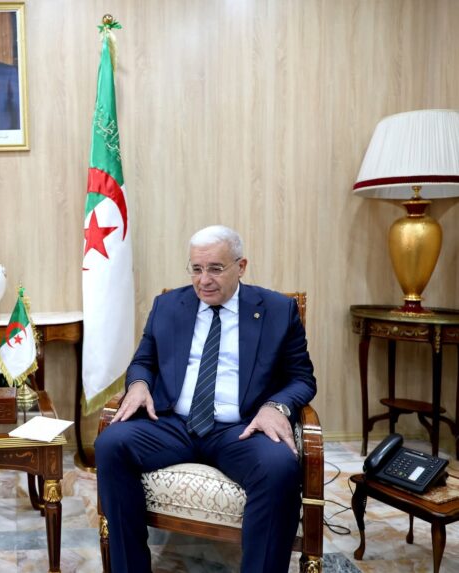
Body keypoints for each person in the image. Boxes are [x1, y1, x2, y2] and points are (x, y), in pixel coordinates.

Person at [95, 225, 317, 573]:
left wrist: (275, 407)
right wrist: (138, 384)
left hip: (240, 429)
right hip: (173, 423)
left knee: (279, 467)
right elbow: (144, 361)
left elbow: (302, 378)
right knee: (111, 444)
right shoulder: (168, 305)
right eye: (196, 269)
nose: (204, 280)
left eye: (215, 268)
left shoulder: (277, 310)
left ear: (241, 266)